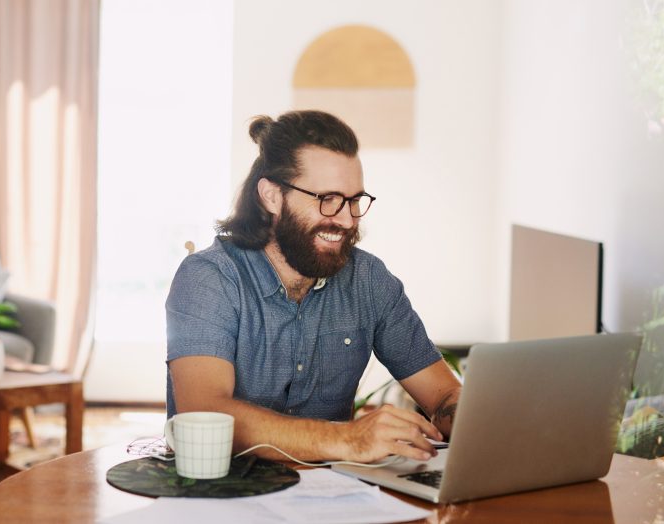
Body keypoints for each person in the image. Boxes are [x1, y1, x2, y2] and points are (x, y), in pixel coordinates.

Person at [165, 110, 461, 463]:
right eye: (327, 199)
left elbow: (443, 397)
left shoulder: (369, 280)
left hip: (331, 500)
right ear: (272, 196)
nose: (347, 219)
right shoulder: (208, 278)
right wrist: (349, 439)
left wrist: (474, 420)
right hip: (222, 499)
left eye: (354, 201)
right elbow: (205, 415)